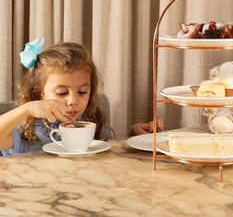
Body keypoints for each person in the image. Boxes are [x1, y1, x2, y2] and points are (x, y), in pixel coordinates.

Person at [0, 39, 158, 155]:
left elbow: (107, 154)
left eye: (82, 92)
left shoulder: (89, 121)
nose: (73, 101)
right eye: (62, 93)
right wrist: (25, 109)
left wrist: (134, 135)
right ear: (40, 93)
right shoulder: (27, 130)